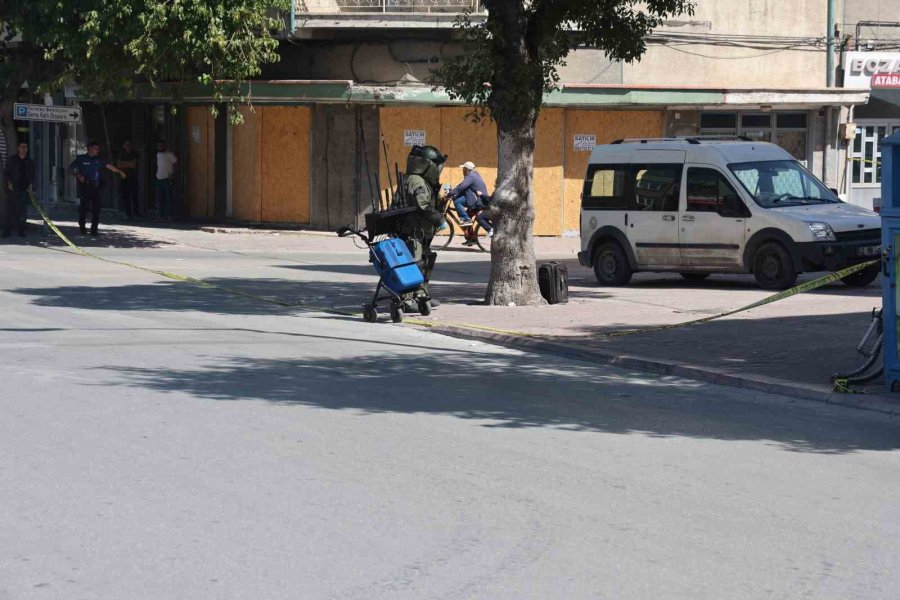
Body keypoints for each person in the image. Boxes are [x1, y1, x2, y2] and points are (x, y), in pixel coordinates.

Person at [399, 144, 447, 303]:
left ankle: (420, 295)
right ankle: (406, 300)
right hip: (413, 231)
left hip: (421, 230)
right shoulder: (416, 180)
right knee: (413, 263)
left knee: (427, 260)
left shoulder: (423, 181)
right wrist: (439, 219)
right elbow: (422, 205)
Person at [69, 141, 127, 236]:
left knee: (96, 209)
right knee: (84, 208)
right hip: (86, 186)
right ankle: (82, 226)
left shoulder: (99, 159)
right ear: (90, 149)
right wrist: (78, 175)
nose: (97, 150)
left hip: (96, 186)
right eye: (96, 148)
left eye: (98, 148)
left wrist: (119, 172)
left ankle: (94, 230)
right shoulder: (81, 158)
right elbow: (70, 168)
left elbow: (109, 166)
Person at [447, 160, 493, 238]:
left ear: (467, 170)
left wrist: (450, 194)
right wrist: (454, 194)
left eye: (464, 169)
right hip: (479, 199)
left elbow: (461, 187)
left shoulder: (471, 177)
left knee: (457, 202)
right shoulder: (475, 175)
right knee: (468, 214)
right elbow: (466, 190)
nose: (463, 171)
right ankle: (471, 238)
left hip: (478, 201)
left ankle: (466, 219)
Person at [3, 141, 35, 238]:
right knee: (10, 209)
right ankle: (6, 231)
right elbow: (6, 173)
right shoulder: (13, 160)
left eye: (25, 147)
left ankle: (21, 230)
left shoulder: (29, 161)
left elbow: (32, 175)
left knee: (23, 211)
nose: (23, 149)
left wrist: (31, 185)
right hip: (13, 188)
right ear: (18, 148)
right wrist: (9, 183)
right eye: (22, 147)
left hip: (24, 189)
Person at [116, 140, 140, 219]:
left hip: (133, 177)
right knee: (125, 196)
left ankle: (136, 213)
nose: (128, 146)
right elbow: (118, 165)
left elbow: (133, 165)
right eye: (126, 144)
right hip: (124, 177)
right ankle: (128, 213)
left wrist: (124, 163)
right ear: (123, 146)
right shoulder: (121, 154)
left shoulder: (134, 153)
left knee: (134, 196)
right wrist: (128, 163)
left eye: (129, 144)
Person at [155, 141, 178, 222]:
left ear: (164, 146)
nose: (160, 147)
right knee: (160, 198)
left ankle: (169, 216)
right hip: (159, 178)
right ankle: (160, 216)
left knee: (168, 197)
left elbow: (175, 163)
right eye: (158, 146)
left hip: (167, 178)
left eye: (161, 145)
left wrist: (173, 174)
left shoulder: (170, 154)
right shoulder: (158, 154)